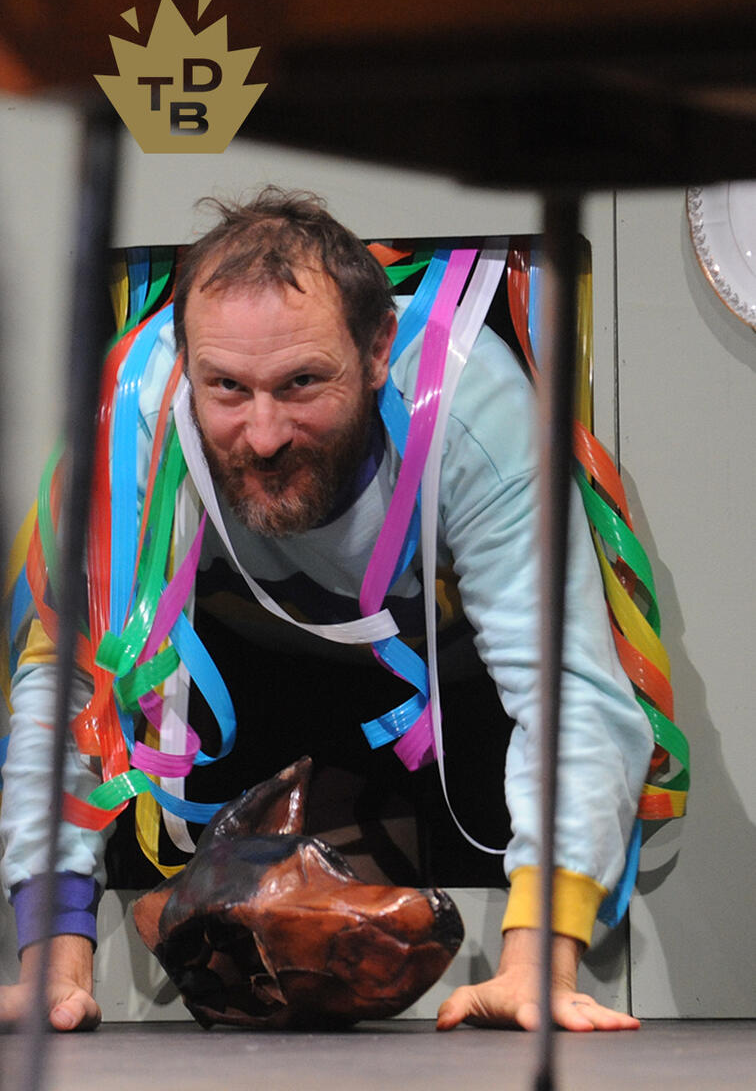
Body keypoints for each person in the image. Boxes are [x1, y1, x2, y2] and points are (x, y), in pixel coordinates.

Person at [0, 188, 653, 1034]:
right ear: (185, 361)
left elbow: (570, 694)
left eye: (302, 382)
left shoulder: (470, 408)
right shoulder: (136, 412)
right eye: (227, 387)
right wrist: (52, 970)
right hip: (249, 677)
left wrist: (535, 968)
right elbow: (67, 690)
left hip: (451, 691)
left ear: (377, 350)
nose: (264, 433)